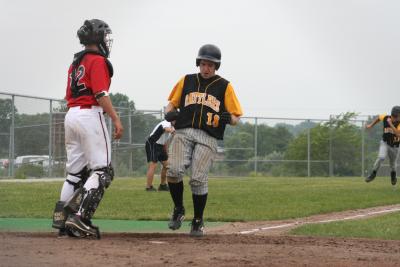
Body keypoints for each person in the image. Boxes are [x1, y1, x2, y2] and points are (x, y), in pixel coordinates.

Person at [51, 19, 123, 238]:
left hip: (71, 115)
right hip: (89, 114)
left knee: (74, 174)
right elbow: (101, 94)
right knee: (102, 170)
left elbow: (69, 95)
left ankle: (61, 220)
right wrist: (116, 119)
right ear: (98, 38)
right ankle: (80, 219)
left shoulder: (76, 63)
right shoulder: (97, 61)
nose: (106, 40)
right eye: (104, 36)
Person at [164, 44, 243, 237]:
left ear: (216, 66)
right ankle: (179, 209)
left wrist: (229, 119)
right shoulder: (187, 80)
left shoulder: (225, 86)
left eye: (210, 65)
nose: (206, 68)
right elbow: (171, 104)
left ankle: (198, 221)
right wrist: (169, 113)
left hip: (208, 136)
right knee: (173, 170)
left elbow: (236, 118)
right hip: (183, 131)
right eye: (203, 64)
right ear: (198, 63)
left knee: (198, 179)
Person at [365, 106, 400, 185]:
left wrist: (390, 123)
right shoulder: (386, 117)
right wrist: (371, 125)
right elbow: (378, 118)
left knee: (393, 164)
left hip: (395, 146)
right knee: (381, 157)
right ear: (395, 115)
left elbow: (398, 134)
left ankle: (393, 175)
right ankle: (373, 174)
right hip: (385, 142)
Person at [145, 119, 175, 191]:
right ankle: (149, 187)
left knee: (167, 165)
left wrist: (166, 150)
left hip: (161, 146)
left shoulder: (173, 127)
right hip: (152, 143)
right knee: (153, 165)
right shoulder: (166, 123)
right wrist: (173, 131)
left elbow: (165, 141)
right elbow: (165, 129)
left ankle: (163, 185)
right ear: (173, 119)